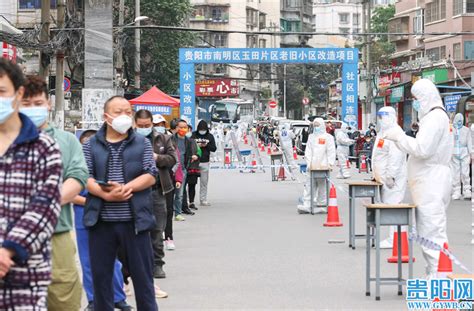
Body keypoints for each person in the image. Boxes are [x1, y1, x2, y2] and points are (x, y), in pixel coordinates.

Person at [82, 96, 158, 310]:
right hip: (101, 223)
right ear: (106, 117)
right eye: (118, 112)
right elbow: (84, 176)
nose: (124, 116)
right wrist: (104, 194)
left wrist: (128, 188)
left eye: (128, 111)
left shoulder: (142, 142)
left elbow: (151, 174)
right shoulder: (91, 145)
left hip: (136, 223)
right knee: (101, 282)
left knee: (144, 282)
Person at [19, 76, 88, 310]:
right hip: (9, 236)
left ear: (48, 104)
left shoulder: (67, 141)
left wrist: (41, 204)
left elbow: (77, 177)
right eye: (25, 103)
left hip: (56, 232)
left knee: (63, 296)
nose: (32, 109)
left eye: (37, 103)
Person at [0, 58, 62, 310]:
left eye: (1, 92)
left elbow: (45, 207)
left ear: (18, 93)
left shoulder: (44, 148)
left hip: (26, 276)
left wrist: (8, 251)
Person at [382, 78, 452, 278]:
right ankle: (436, 274)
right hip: (432, 180)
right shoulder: (438, 117)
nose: (415, 103)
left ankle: (439, 277)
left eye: (416, 99)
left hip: (431, 182)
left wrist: (399, 137)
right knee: (430, 230)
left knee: (432, 232)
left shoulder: (434, 119)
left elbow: (422, 149)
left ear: (425, 97)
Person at [72, 130, 132, 310]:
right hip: (83, 214)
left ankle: (118, 298)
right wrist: (95, 201)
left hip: (107, 214)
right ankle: (93, 299)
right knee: (88, 259)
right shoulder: (74, 167)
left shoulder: (110, 163)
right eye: (85, 144)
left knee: (112, 258)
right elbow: (71, 195)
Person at [135, 111, 176, 286]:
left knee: (157, 229)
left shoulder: (163, 139)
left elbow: (172, 159)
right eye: (141, 126)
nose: (144, 128)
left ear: (152, 123)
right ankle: (137, 265)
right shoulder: (129, 140)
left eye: (147, 125)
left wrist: (157, 157)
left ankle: (157, 264)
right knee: (135, 229)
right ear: (135, 124)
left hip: (158, 190)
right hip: (135, 191)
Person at [372, 107, 407, 249]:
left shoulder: (395, 133)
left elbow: (395, 157)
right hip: (383, 178)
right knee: (389, 206)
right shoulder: (383, 133)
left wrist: (391, 176)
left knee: (394, 206)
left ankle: (395, 239)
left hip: (393, 178)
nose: (380, 120)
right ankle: (393, 237)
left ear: (391, 116)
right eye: (379, 117)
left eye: (383, 117)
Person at [297, 118, 336, 214]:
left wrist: (330, 164)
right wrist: (309, 163)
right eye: (315, 125)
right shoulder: (311, 137)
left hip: (324, 166)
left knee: (322, 185)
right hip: (312, 166)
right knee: (309, 185)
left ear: (322, 125)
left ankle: (322, 203)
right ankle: (307, 204)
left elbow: (331, 152)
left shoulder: (328, 137)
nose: (316, 127)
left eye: (318, 125)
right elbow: (308, 151)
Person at [172, 119, 198, 221]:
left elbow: (191, 153)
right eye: (181, 127)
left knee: (180, 193)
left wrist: (192, 158)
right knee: (170, 193)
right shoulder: (171, 139)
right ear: (177, 128)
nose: (183, 129)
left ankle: (177, 213)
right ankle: (169, 212)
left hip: (182, 169)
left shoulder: (189, 141)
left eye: (185, 127)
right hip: (171, 169)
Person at [193, 120, 217, 206]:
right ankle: (189, 200)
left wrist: (206, 145)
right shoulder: (193, 135)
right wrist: (197, 145)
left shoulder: (210, 136)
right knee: (191, 182)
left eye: (204, 129)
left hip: (205, 161)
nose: (202, 131)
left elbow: (214, 148)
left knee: (204, 182)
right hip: (194, 162)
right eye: (201, 129)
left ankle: (203, 200)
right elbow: (188, 146)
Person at [450, 113, 472, 200]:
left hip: (464, 153)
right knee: (455, 173)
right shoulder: (451, 129)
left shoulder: (466, 130)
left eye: (460, 120)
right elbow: (448, 141)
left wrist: (471, 153)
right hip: (454, 153)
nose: (459, 122)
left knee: (465, 172)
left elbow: (469, 142)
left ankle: (467, 190)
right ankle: (456, 191)